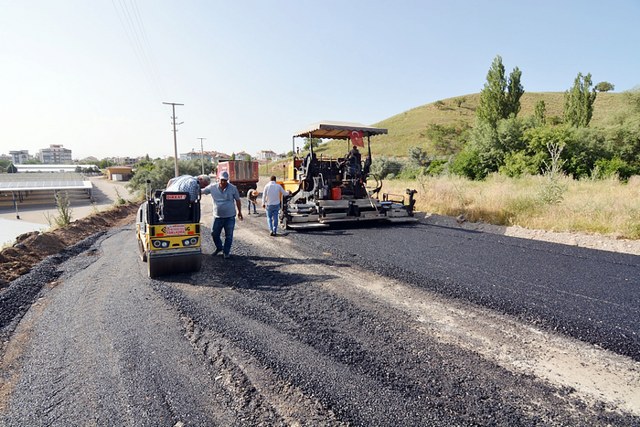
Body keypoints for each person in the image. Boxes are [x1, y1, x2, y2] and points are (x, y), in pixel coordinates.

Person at [201, 171, 243, 259]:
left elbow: (238, 200)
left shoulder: (233, 188)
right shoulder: (212, 187)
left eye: (225, 180)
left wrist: (239, 212)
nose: (223, 182)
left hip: (230, 216)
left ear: (227, 180)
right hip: (218, 217)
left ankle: (226, 252)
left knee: (229, 235)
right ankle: (219, 247)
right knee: (214, 233)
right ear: (218, 179)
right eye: (222, 180)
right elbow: (201, 191)